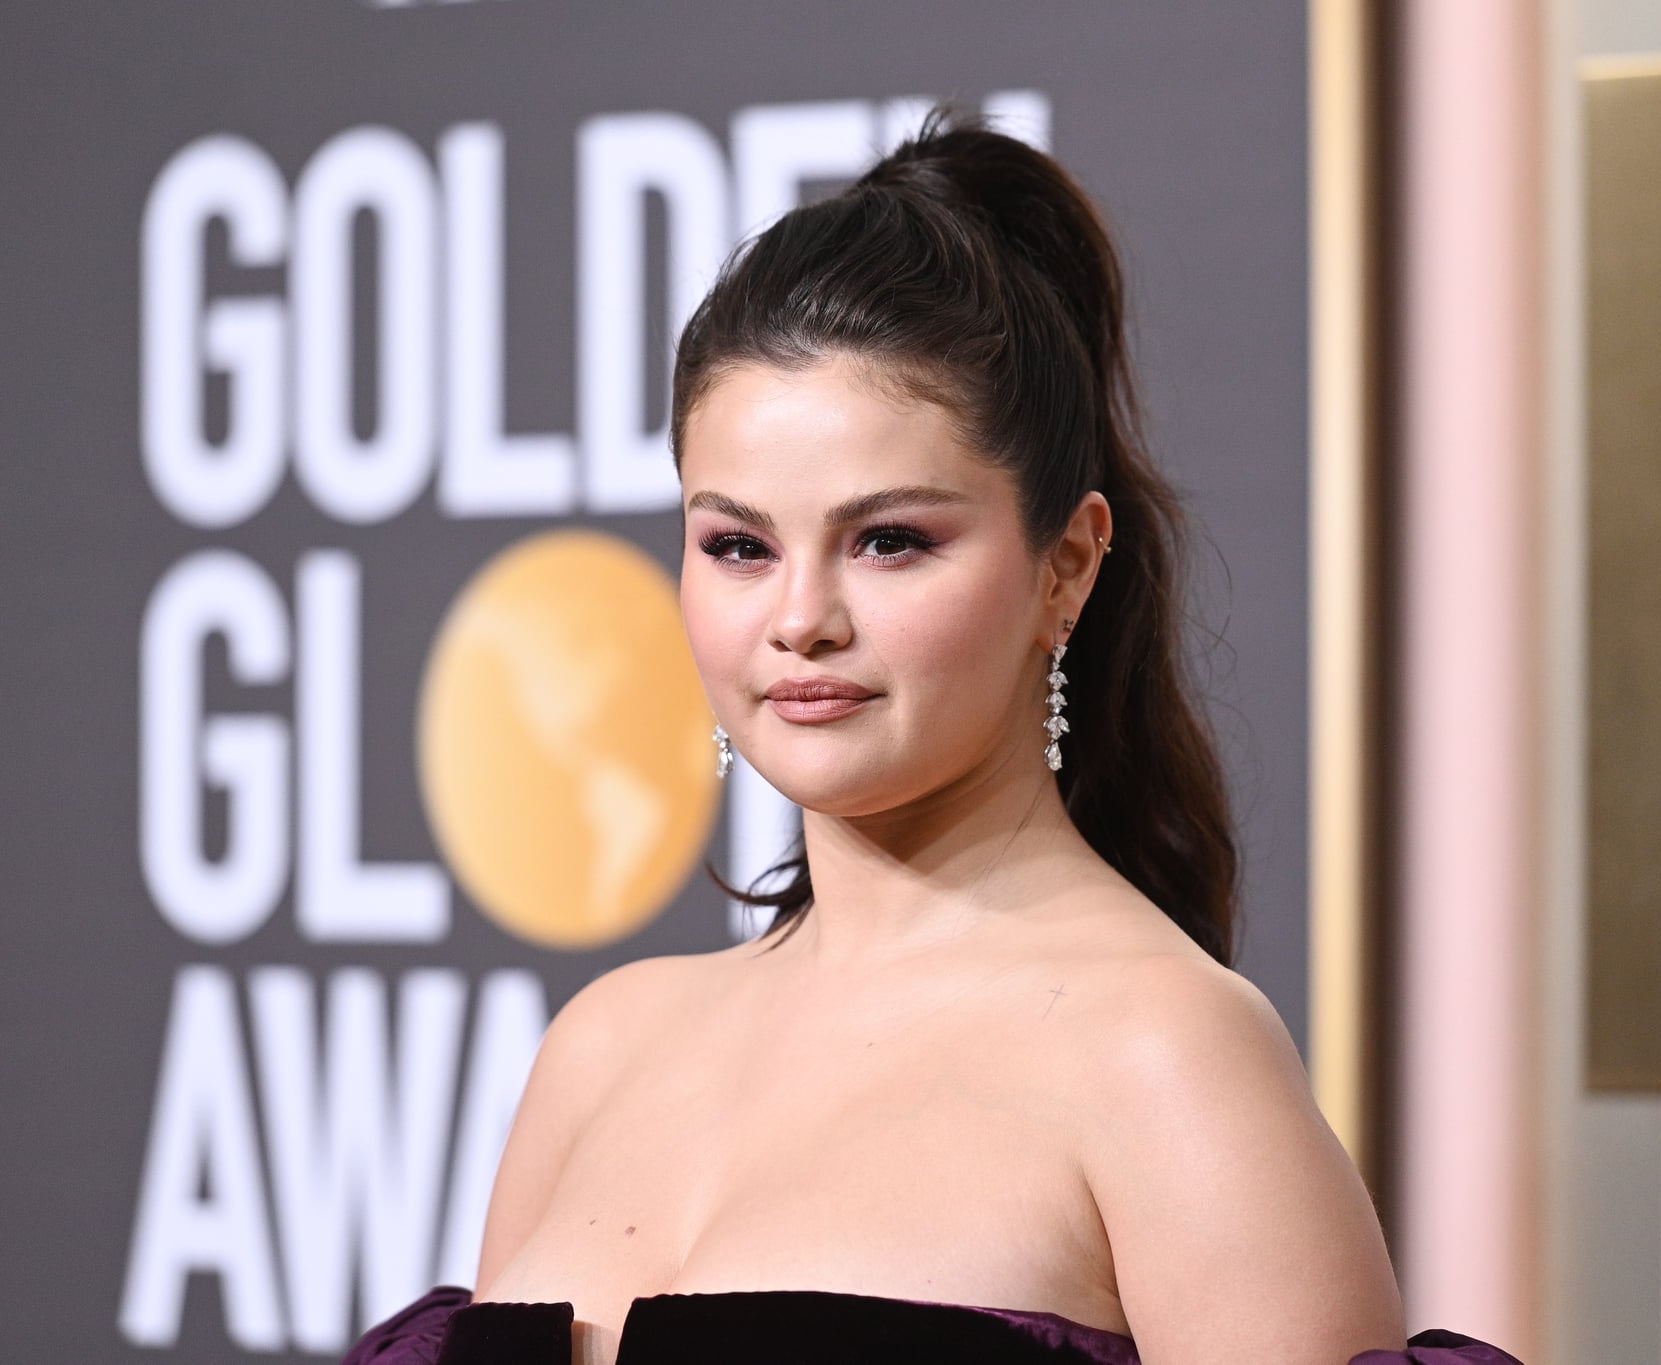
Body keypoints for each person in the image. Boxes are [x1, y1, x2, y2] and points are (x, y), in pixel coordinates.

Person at [347, 108, 1521, 1365]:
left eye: (889, 540)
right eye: (737, 546)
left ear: (1063, 568)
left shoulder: (1167, 1059)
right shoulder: (601, 1046)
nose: (799, 620)